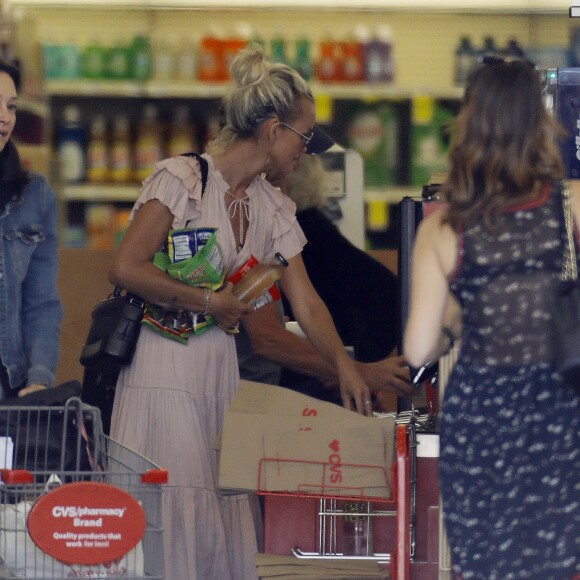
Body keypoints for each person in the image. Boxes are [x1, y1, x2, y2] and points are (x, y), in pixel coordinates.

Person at [108, 46, 374, 580]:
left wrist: (345, 367)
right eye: (303, 136)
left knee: (220, 506)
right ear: (273, 130)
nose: (307, 150)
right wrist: (212, 302)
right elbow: (127, 267)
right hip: (163, 373)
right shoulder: (181, 181)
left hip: (218, 375)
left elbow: (307, 301)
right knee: (174, 507)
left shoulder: (270, 206)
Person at [403, 57, 579, 579]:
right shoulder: (570, 206)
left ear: (470, 125)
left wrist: (456, 319)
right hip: (557, 419)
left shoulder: (443, 230)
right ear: (539, 122)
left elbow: (416, 350)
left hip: (480, 424)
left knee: (484, 568)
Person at [236, 154, 411, 406]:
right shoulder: (267, 226)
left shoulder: (298, 229)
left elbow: (292, 316)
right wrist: (353, 368)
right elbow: (268, 336)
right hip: (268, 382)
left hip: (272, 385)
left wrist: (351, 368)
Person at [0, 60, 62, 400]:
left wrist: (39, 376)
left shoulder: (34, 195)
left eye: (11, 106)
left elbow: (42, 303)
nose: (5, 116)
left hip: (10, 387)